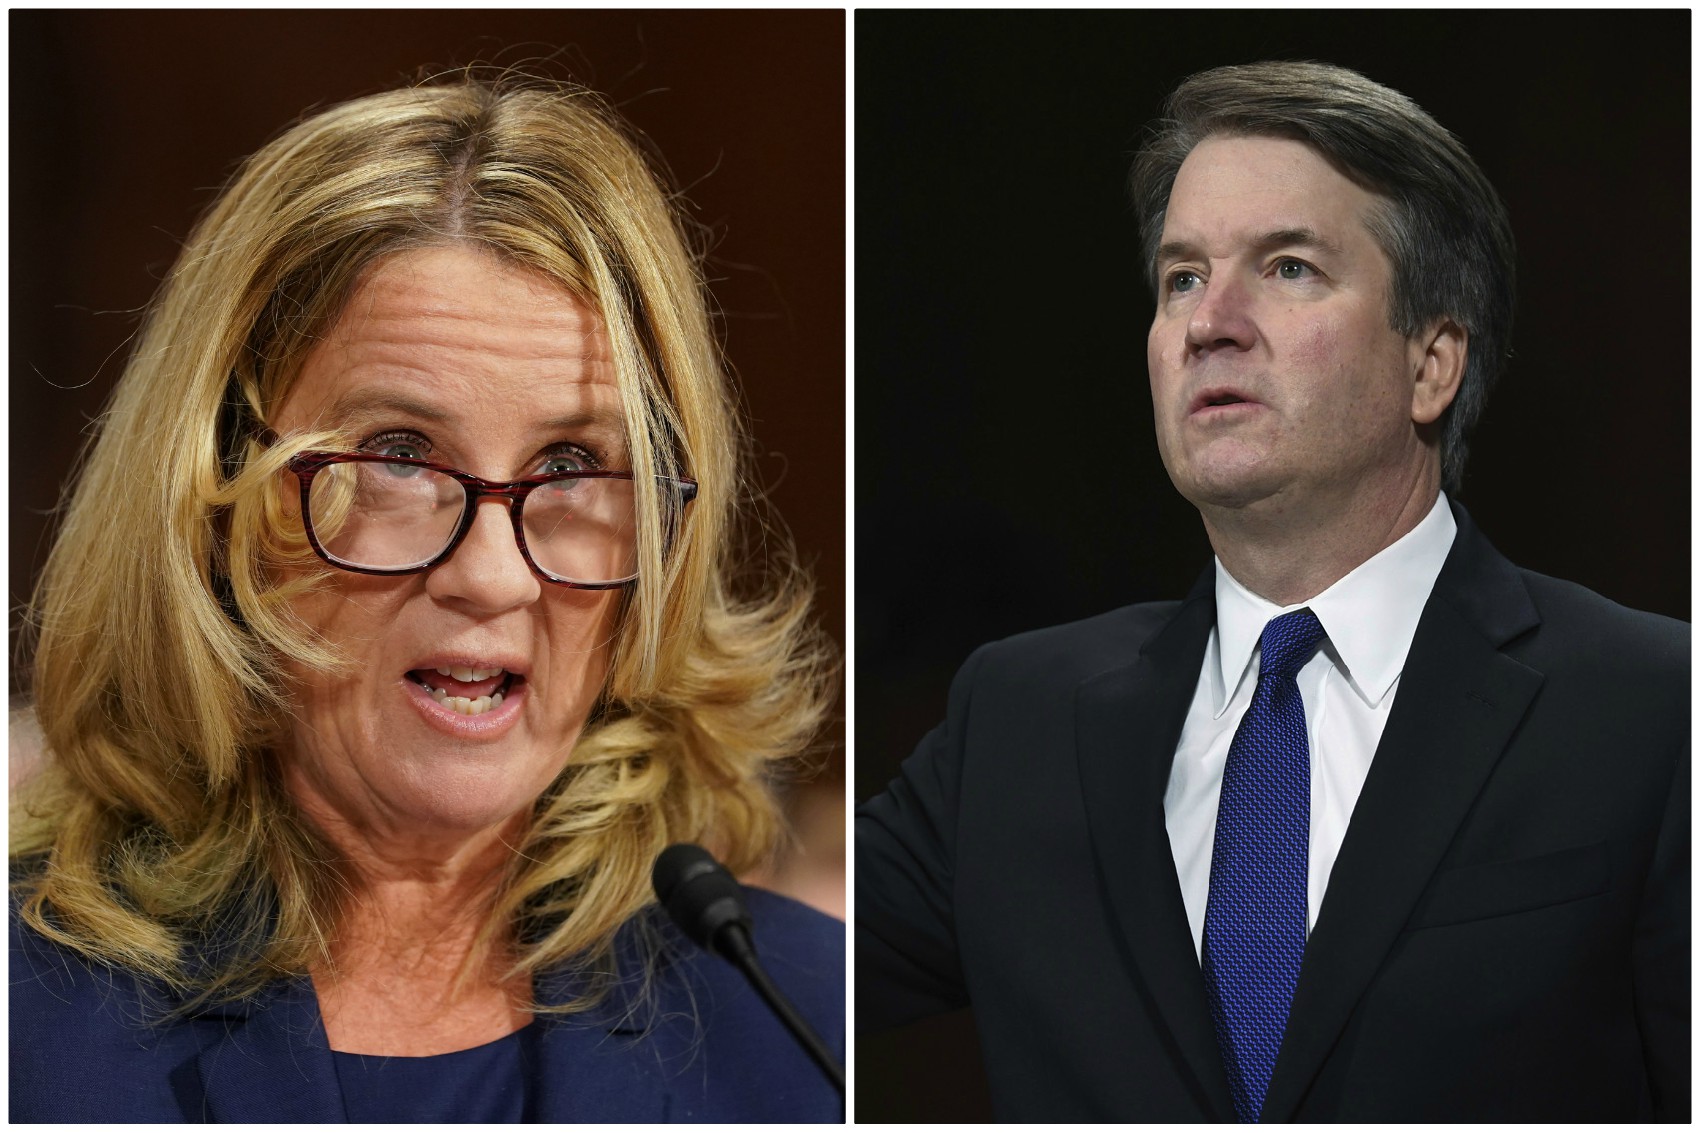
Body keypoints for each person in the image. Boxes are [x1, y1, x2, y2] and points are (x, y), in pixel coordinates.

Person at [856, 60, 1688, 1122]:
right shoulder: (1017, 718)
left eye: (1286, 268)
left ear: (1430, 362)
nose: (1211, 322)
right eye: (1181, 278)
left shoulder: (1654, 709)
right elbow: (746, 960)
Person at [12, 77, 843, 1122]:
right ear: (216, 498)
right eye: (401, 455)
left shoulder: (805, 1025)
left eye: (574, 463)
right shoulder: (31, 1027)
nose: (493, 574)